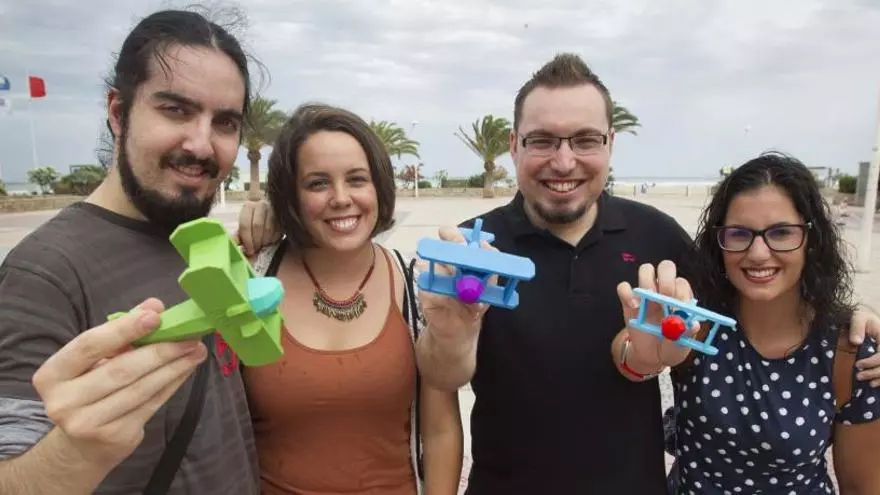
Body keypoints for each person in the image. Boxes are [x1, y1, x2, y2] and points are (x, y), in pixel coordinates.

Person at [234, 54, 880, 493]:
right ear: (514, 146)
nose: (563, 160)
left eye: (584, 140)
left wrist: (849, 317)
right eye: (542, 140)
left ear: (610, 146)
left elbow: (754, 294)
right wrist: (277, 219)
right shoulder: (473, 247)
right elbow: (442, 380)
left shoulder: (659, 236)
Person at [0, 9, 260, 494]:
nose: (202, 145)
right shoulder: (44, 273)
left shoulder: (198, 242)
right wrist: (74, 454)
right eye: (176, 110)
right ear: (118, 113)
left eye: (225, 122)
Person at [616, 153, 880, 494]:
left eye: (781, 232)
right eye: (739, 234)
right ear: (719, 242)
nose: (757, 253)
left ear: (812, 240)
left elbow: (862, 486)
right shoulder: (699, 324)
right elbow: (629, 350)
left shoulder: (848, 351)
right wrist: (642, 358)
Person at [242, 103, 463, 494]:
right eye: (318, 184)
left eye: (357, 179)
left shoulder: (416, 287)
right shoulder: (253, 275)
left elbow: (440, 430)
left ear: (379, 186)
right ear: (290, 195)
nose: (341, 198)